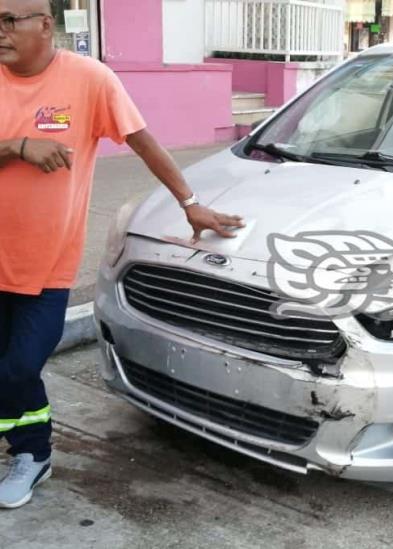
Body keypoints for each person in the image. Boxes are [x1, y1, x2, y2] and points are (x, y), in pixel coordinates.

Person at [0, 0, 245, 509]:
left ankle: (33, 454)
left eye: (7, 20)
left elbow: (143, 141)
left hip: (43, 266)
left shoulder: (90, 80)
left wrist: (191, 203)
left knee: (18, 367)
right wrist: (19, 146)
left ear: (45, 24)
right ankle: (26, 444)